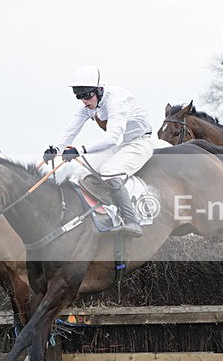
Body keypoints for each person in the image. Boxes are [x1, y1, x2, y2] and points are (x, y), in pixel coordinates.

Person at [44, 66, 154, 237]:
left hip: (139, 143)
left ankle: (131, 221)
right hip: (120, 145)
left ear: (99, 90)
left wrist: (78, 150)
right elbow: (71, 129)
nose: (84, 101)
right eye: (79, 96)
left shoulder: (117, 100)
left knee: (110, 172)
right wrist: (56, 149)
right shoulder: (88, 106)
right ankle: (99, 215)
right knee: (80, 172)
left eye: (87, 95)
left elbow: (112, 138)